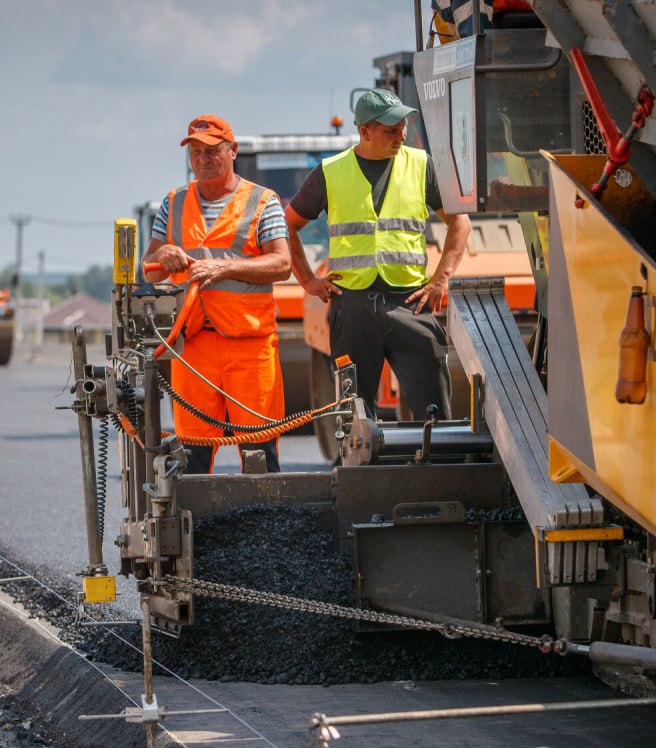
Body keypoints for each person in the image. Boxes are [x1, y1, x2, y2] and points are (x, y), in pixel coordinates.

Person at [285, 89, 471, 420]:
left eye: (402, 126)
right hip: (352, 306)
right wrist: (308, 280)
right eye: (390, 130)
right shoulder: (330, 171)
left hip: (411, 302)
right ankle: (356, 470)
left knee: (435, 412)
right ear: (364, 132)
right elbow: (288, 226)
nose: (400, 135)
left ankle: (438, 469)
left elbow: (460, 222)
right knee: (353, 414)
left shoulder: (421, 165)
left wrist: (440, 280)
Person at [142, 115, 291, 474]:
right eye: (196, 152)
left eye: (212, 151)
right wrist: (162, 255)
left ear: (232, 151)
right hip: (192, 346)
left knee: (259, 451)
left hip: (249, 346)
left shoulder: (262, 202)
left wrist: (224, 267)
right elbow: (149, 264)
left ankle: (265, 527)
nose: (203, 159)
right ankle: (197, 528)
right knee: (192, 454)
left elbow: (282, 263)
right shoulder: (173, 203)